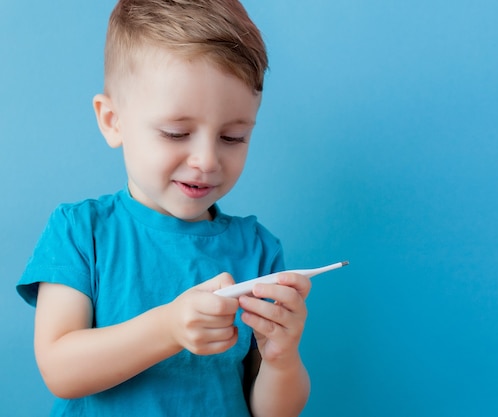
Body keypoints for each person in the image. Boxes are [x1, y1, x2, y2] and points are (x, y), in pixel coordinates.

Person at [16, 1, 311, 416]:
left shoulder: (257, 250)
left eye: (233, 137)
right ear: (113, 120)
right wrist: (169, 328)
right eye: (177, 133)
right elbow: (60, 369)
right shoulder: (81, 233)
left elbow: (273, 412)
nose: (207, 160)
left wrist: (282, 357)